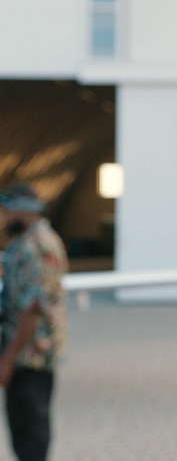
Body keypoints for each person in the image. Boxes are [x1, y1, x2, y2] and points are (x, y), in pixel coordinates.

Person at [0, 183, 68, 461]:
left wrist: (7, 358)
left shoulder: (33, 246)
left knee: (29, 431)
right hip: (34, 352)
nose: (4, 218)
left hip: (29, 355)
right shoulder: (41, 239)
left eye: (6, 211)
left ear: (22, 210)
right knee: (29, 426)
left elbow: (32, 307)